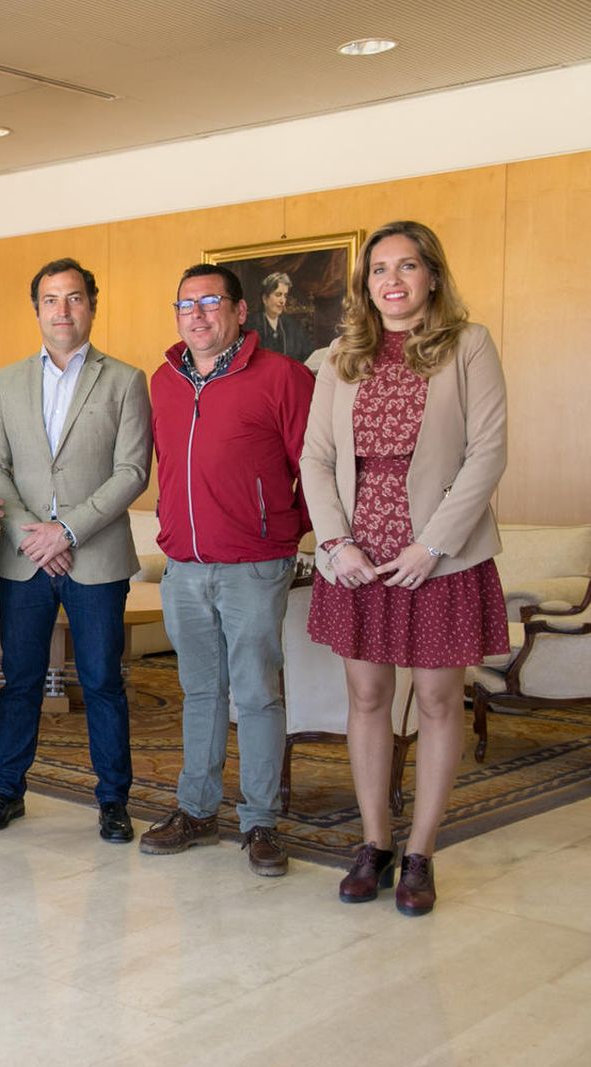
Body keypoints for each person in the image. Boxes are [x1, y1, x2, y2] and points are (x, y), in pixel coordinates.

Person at [301, 221, 509, 916]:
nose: (392, 280)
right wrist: (335, 544)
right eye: (379, 269)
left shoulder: (468, 345)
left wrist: (434, 546)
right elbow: (316, 459)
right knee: (365, 699)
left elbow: (487, 453)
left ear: (432, 276)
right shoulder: (339, 356)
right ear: (366, 285)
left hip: (439, 560)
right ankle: (374, 843)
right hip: (358, 561)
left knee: (439, 700)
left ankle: (421, 853)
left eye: (408, 266)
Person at [139, 263, 314, 877]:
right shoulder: (162, 382)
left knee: (258, 693)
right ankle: (196, 809)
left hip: (254, 566)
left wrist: (286, 531)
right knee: (200, 692)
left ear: (240, 312)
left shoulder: (283, 378)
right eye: (186, 304)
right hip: (184, 566)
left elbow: (314, 468)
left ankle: (261, 820)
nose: (198, 314)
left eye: (212, 302)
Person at [0, 258, 152, 842]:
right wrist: (37, 533)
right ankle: (7, 791)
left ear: (92, 306)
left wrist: (68, 531)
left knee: (102, 680)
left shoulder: (125, 380)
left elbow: (132, 471)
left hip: (95, 558)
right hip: (26, 560)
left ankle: (113, 800)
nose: (63, 311)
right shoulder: (5, 380)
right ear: (37, 310)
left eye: (74, 298)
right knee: (19, 681)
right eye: (51, 300)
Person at [254, 271, 311, 362]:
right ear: (265, 299)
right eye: (278, 295)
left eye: (285, 295)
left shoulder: (293, 326)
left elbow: (307, 354)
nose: (282, 301)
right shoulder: (252, 324)